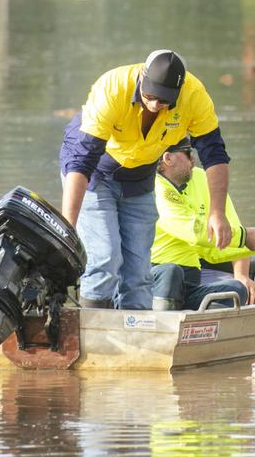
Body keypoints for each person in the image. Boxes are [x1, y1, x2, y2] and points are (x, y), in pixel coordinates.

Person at [59, 50, 233, 310]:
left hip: (139, 177)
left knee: (140, 270)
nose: (154, 105)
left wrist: (217, 213)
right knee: (105, 258)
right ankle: (92, 331)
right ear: (142, 78)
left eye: (164, 101)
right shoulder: (113, 88)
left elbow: (214, 154)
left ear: (179, 91)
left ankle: (135, 336)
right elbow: (82, 160)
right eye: (150, 97)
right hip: (95, 172)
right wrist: (67, 230)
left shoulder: (194, 96)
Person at [149, 138, 255, 311]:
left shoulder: (199, 179)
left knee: (237, 290)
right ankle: (163, 325)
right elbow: (195, 233)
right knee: (171, 272)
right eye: (187, 153)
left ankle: (187, 319)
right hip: (157, 277)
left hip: (189, 282)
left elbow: (212, 250)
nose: (193, 159)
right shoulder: (154, 188)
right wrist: (245, 236)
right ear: (167, 158)